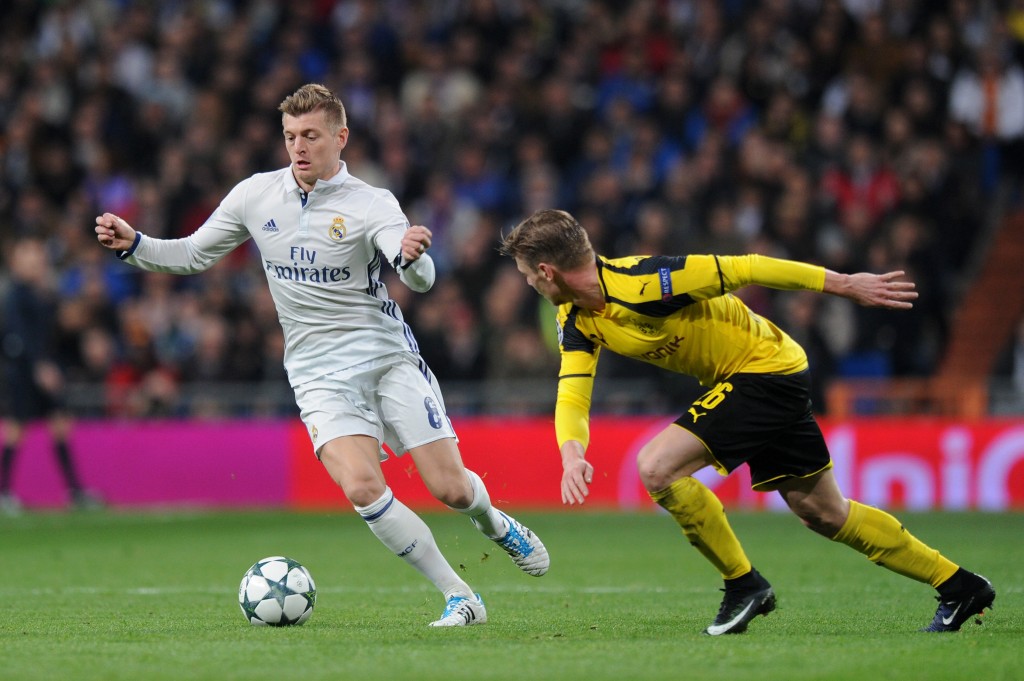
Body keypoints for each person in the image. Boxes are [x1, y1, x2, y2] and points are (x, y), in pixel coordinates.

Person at [95, 83, 548, 627]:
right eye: (290, 136)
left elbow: (418, 277)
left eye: (310, 135)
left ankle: (494, 523)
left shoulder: (372, 204)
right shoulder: (256, 195)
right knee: (362, 488)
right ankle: (460, 595)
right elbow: (193, 253)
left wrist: (413, 259)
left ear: (341, 137)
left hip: (385, 358)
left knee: (450, 490)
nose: (299, 147)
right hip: (317, 373)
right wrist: (135, 244)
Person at [499, 208, 994, 635]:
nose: (527, 284)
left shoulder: (648, 282)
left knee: (657, 467)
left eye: (526, 274)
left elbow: (749, 266)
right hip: (765, 374)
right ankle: (961, 586)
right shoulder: (576, 318)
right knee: (824, 513)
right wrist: (572, 453)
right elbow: (573, 391)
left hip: (763, 371)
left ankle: (744, 585)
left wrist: (844, 284)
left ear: (547, 271)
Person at [1, 238, 101, 514]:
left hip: (44, 369)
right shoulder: (16, 296)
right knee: (16, 429)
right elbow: (18, 336)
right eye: (28, 258)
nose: (35, 263)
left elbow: (55, 332)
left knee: (60, 425)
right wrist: (39, 366)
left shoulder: (44, 294)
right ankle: (4, 492)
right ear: (16, 263)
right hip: (23, 373)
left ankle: (75, 490)